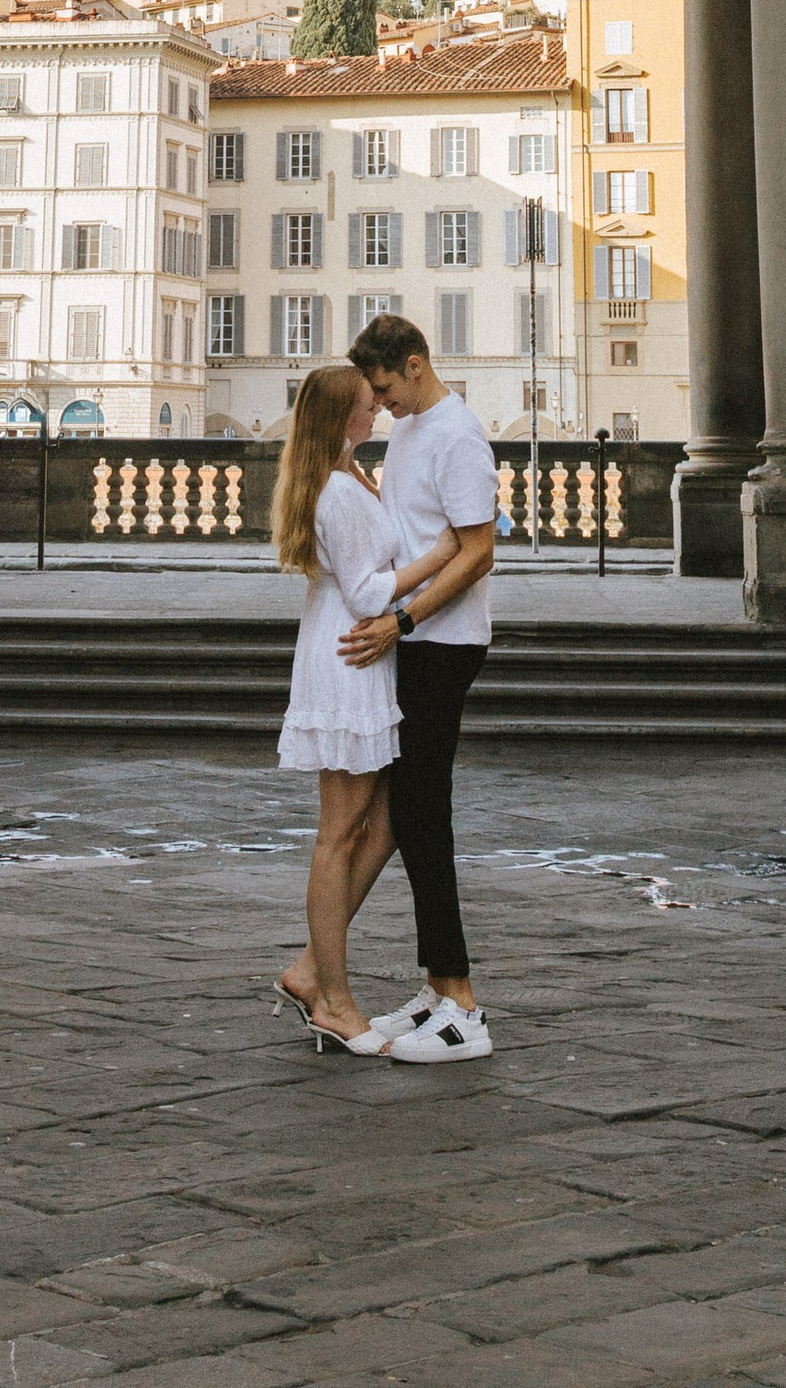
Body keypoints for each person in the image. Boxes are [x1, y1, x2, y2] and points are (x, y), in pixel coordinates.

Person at [269, 360, 453, 1055]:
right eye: (362, 404)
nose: (375, 409)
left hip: (357, 658)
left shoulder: (347, 477)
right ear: (338, 416)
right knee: (341, 831)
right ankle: (333, 1002)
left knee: (381, 825)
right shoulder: (337, 492)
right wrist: (442, 554)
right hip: (348, 658)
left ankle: (311, 968)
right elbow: (368, 592)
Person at [336, 312, 500, 1062]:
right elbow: (408, 525)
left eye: (383, 389)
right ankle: (439, 989)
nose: (380, 404)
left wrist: (401, 620)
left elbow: (478, 554)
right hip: (416, 643)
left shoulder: (458, 435)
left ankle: (462, 1004)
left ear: (413, 364)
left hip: (442, 645)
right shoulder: (408, 430)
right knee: (414, 815)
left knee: (425, 817)